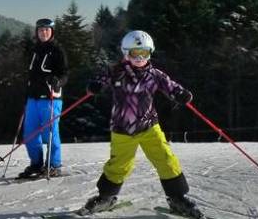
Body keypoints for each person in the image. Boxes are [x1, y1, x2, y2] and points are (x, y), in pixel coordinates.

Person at [79, 30, 202, 218]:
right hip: (122, 128)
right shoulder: (115, 72)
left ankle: (177, 198)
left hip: (149, 126)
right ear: (125, 53)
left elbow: (171, 87)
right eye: (134, 54)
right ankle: (106, 197)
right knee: (119, 165)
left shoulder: (155, 75)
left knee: (166, 158)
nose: (139, 58)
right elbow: (99, 79)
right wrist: (95, 85)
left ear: (150, 53)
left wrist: (181, 94)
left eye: (144, 53)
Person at [18, 18, 68, 179]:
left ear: (52, 32)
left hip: (50, 98)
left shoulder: (57, 50)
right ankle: (37, 164)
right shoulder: (34, 50)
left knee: (50, 133)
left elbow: (65, 73)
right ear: (37, 32)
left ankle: (53, 165)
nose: (43, 32)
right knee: (30, 134)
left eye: (47, 30)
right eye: (40, 30)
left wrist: (58, 81)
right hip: (33, 98)